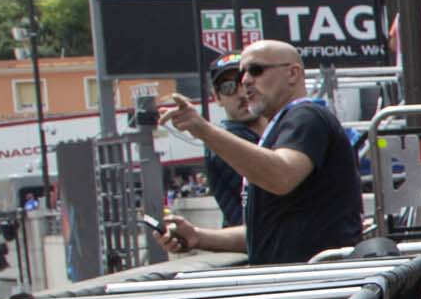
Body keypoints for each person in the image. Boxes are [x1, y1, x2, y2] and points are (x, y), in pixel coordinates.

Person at [153, 43, 363, 267]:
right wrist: (198, 236)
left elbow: (281, 176)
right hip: (296, 283)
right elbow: (265, 232)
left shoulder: (306, 116)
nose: (245, 81)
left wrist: (203, 130)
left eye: (255, 70)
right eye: (243, 74)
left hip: (317, 286)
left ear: (292, 74)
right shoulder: (282, 127)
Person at [199, 58, 256, 221]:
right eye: (229, 87)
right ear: (216, 97)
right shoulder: (224, 141)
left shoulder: (280, 128)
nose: (242, 93)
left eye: (247, 82)